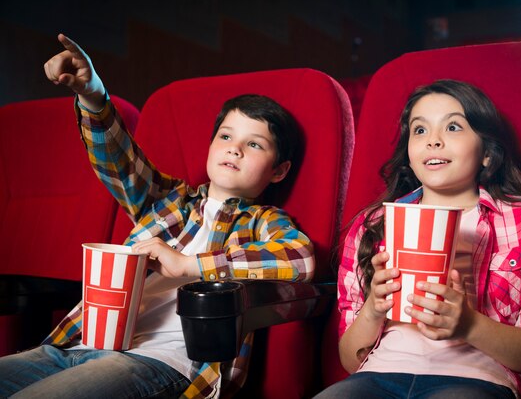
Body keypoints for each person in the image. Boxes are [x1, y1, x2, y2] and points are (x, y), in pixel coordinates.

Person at [0, 33, 314, 399]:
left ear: (279, 170)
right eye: (226, 136)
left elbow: (301, 259)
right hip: (73, 346)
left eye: (255, 144)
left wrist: (189, 265)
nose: (235, 149)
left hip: (162, 362)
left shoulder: (264, 220)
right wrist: (92, 93)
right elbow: (119, 163)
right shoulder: (170, 201)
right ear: (211, 146)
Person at [315, 79, 521, 399]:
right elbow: (350, 360)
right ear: (409, 154)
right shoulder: (372, 225)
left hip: (475, 378)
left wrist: (468, 325)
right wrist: (373, 308)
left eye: (453, 127)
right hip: (378, 374)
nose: (433, 141)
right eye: (420, 130)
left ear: (487, 155)